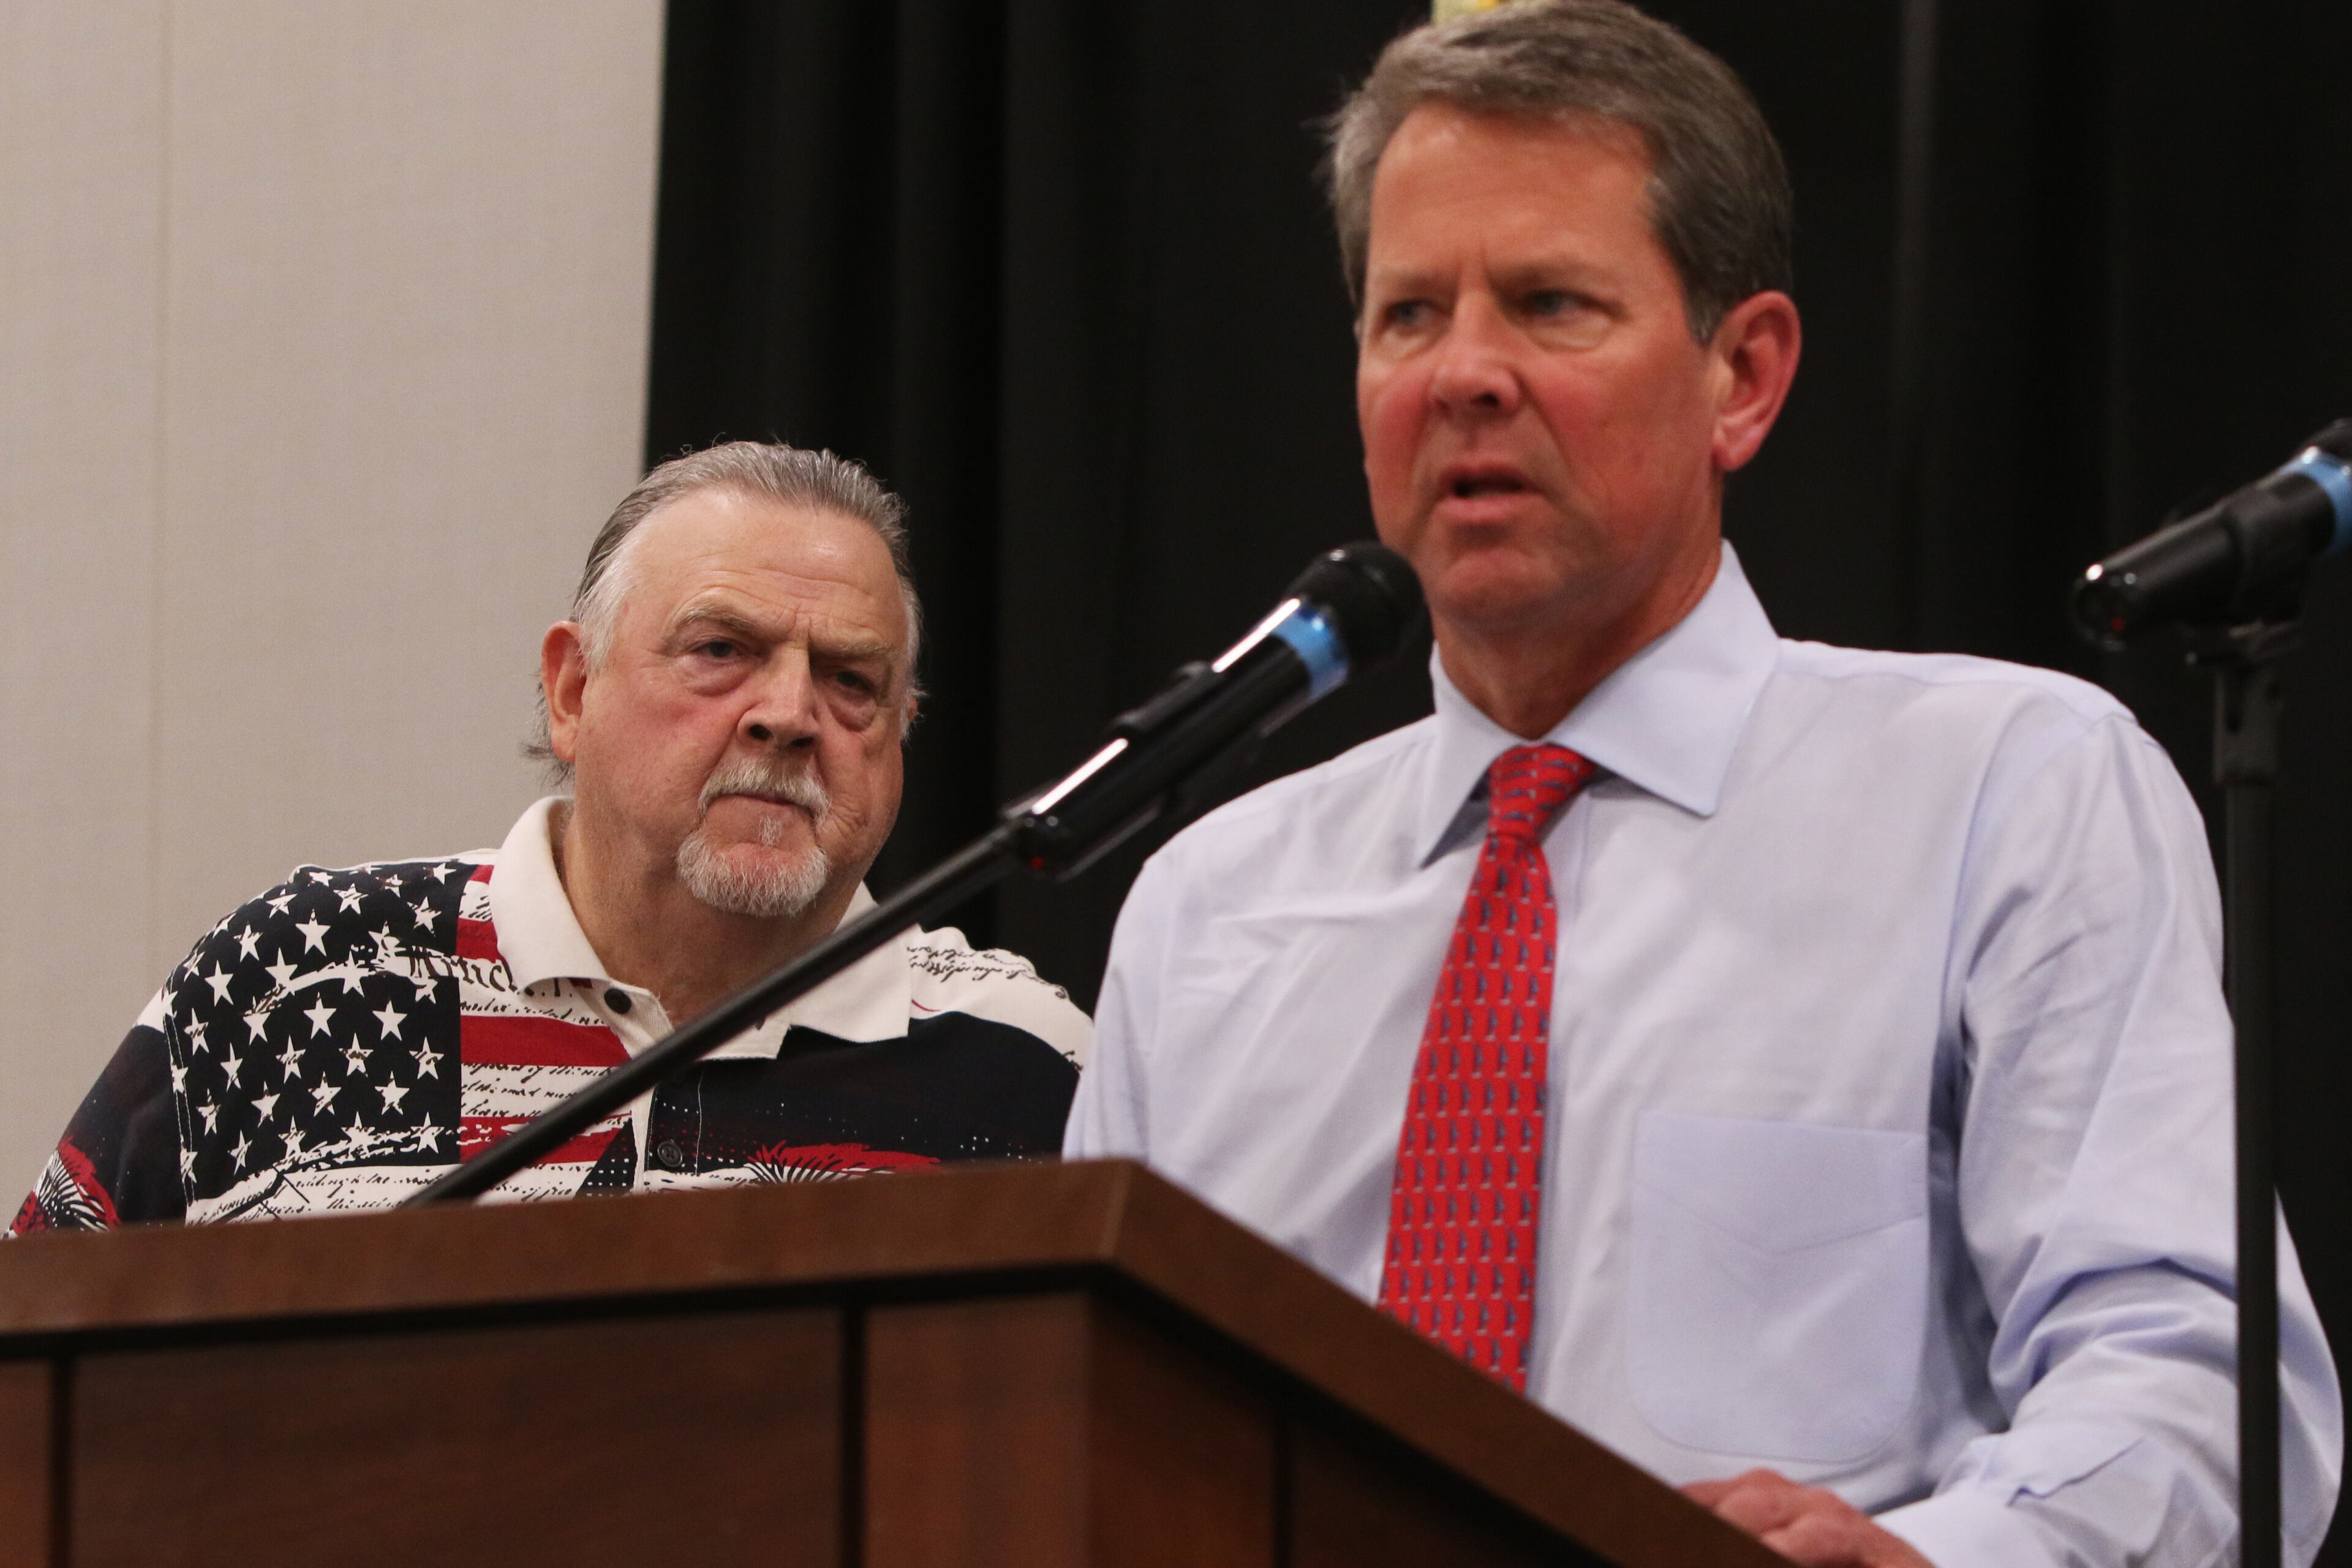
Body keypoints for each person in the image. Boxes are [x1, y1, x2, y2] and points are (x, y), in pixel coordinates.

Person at [1063, 4, 2340, 1566]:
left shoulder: (2005, 790)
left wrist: (1933, 1557)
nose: (1465, 372)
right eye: (1408, 313)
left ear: (1745, 375)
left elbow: (2199, 1389)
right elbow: (1087, 1445)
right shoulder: (1213, 903)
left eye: (1549, 303)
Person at [17, 441, 1088, 1227]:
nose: (789, 715)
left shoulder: (1025, 1064)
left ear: (902, 737)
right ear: (573, 691)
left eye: (852, 680)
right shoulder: (301, 975)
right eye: (722, 650)